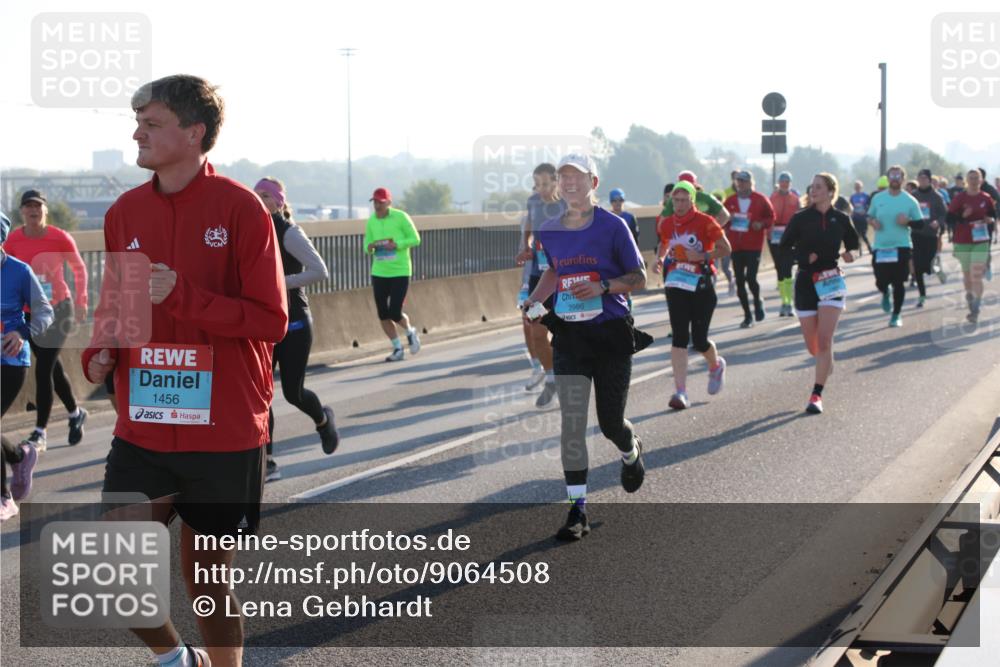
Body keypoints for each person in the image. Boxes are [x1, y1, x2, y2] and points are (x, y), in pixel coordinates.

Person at [82, 74, 289, 667]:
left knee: (207, 583)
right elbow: (117, 310)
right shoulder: (125, 212)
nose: (137, 134)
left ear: (195, 133)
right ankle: (177, 660)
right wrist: (101, 352)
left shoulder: (241, 209)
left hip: (224, 432)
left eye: (152, 124)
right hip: (143, 428)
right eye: (137, 123)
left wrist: (182, 296)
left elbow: (271, 319)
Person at [522, 153, 651, 541]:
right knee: (573, 424)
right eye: (563, 177)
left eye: (577, 176)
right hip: (570, 336)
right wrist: (535, 301)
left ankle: (630, 450)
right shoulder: (549, 229)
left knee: (610, 423)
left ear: (593, 183)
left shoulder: (613, 226)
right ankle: (576, 510)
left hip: (611, 332)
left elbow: (639, 277)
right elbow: (554, 269)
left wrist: (603, 286)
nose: (569, 183)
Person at [254, 178, 339, 483]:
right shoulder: (251, 230)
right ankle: (268, 461)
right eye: (255, 195)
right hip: (263, 323)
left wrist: (279, 283)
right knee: (261, 394)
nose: (259, 200)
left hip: (295, 323)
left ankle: (323, 420)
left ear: (279, 201)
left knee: (293, 392)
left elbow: (319, 271)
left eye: (265, 195)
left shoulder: (290, 232)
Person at [4, 189, 89, 452]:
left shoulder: (59, 237)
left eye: (38, 206)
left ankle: (40, 432)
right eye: (28, 206)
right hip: (27, 314)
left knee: (43, 369)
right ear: (22, 211)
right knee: (51, 368)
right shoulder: (13, 239)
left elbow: (79, 268)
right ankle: (76, 413)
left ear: (45, 210)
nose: (33, 210)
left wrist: (82, 300)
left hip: (57, 309)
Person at [779, 173, 859, 414]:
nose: (813, 191)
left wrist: (850, 254)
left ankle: (816, 394)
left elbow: (854, 245)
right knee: (814, 347)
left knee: (824, 341)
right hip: (806, 281)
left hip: (831, 280)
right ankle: (825, 360)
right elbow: (784, 247)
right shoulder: (801, 218)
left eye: (819, 187)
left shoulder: (841, 219)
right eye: (812, 187)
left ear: (831, 192)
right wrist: (803, 257)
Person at [655, 181, 731, 410]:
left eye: (684, 200)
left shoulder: (705, 222)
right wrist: (660, 259)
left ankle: (715, 365)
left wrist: (702, 256)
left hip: (701, 286)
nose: (679, 205)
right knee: (679, 337)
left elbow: (725, 248)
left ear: (692, 201)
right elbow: (664, 244)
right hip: (676, 284)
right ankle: (681, 392)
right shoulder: (666, 223)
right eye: (676, 200)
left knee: (699, 341)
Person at [1, 212, 54, 520]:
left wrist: (21, 333)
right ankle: (19, 457)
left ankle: (4, 498)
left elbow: (45, 312)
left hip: (10, 361)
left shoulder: (19, 271)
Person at [515, 163, 565, 409]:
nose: (541, 189)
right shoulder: (533, 202)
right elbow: (528, 225)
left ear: (556, 181)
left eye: (546, 184)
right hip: (539, 276)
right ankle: (552, 378)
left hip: (564, 277)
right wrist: (525, 246)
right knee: (536, 328)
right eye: (537, 184)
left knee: (568, 331)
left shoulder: (567, 203)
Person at [364, 188, 422, 362]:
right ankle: (397, 348)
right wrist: (369, 247)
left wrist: (397, 244)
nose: (377, 205)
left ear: (389, 202)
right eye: (375, 202)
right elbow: (366, 244)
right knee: (383, 313)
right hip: (379, 271)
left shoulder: (401, 217)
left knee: (395, 311)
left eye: (380, 202)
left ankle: (410, 332)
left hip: (400, 271)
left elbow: (416, 239)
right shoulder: (371, 221)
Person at [867, 165, 926, 327]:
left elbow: (920, 224)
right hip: (881, 247)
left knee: (898, 282)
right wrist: (872, 222)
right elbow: (869, 216)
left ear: (903, 179)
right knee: (880, 280)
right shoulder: (878, 198)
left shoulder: (910, 200)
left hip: (902, 246)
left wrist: (908, 222)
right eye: (892, 176)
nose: (894, 179)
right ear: (888, 179)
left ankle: (896, 315)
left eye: (898, 176)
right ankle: (885, 292)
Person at [723, 171, 776, 327]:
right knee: (739, 280)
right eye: (739, 181)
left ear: (750, 183)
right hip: (736, 245)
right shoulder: (730, 201)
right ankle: (747, 315)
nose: (741, 184)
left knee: (751, 278)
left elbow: (771, 216)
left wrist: (762, 224)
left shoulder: (760, 199)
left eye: (744, 181)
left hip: (753, 245)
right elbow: (721, 219)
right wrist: (727, 222)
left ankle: (758, 302)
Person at [947, 169, 997, 325]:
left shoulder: (986, 198)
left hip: (980, 240)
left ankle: (976, 308)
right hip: (962, 240)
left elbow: (993, 215)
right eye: (971, 178)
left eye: (977, 178)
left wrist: (989, 219)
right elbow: (949, 219)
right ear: (967, 181)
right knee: (967, 274)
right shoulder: (959, 198)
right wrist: (962, 216)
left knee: (976, 274)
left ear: (981, 180)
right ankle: (970, 296)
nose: (974, 181)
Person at [911, 169, 948, 306]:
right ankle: (922, 295)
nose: (922, 180)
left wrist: (938, 222)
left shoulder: (936, 196)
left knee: (928, 266)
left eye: (924, 178)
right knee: (918, 267)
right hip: (916, 234)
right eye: (920, 178)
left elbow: (944, 214)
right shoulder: (913, 196)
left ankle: (937, 270)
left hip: (931, 235)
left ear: (929, 180)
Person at [769, 171, 800, 316]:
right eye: (782, 181)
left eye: (787, 182)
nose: (784, 184)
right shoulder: (772, 197)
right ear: (779, 183)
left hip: (789, 236)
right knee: (779, 269)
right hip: (774, 237)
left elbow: (799, 218)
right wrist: (768, 231)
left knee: (787, 269)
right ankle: (784, 301)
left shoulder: (795, 199)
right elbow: (768, 216)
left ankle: (789, 303)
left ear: (790, 183)